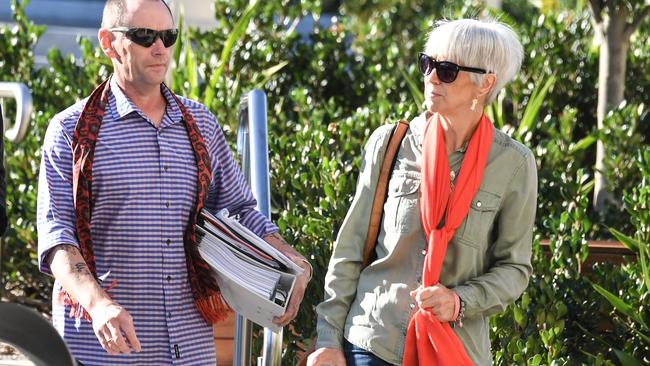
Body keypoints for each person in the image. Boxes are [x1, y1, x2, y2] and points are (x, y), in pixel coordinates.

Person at [36, 0, 311, 364]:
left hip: (189, 347)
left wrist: (288, 258)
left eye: (168, 36)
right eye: (144, 35)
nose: (159, 48)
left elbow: (240, 210)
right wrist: (98, 304)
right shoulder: (71, 131)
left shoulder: (201, 125)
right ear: (108, 42)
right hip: (103, 349)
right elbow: (58, 239)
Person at [309, 18, 537, 366]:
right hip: (373, 342)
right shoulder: (391, 143)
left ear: (485, 83)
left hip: (456, 351)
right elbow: (350, 247)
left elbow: (514, 268)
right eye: (427, 63)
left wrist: (460, 301)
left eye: (446, 70)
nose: (431, 76)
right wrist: (328, 339)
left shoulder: (514, 164)